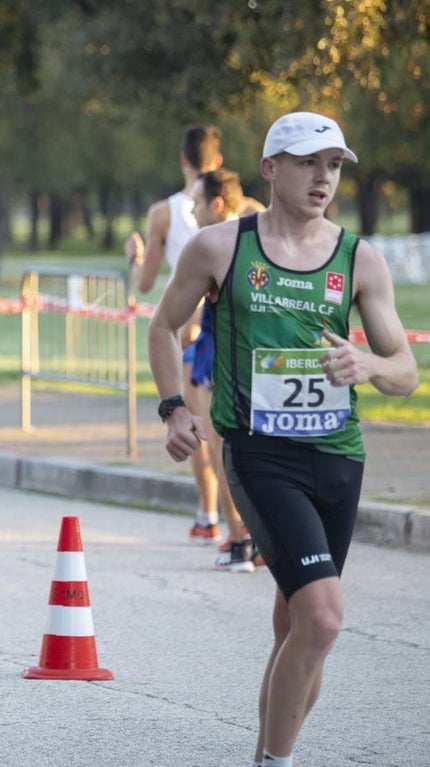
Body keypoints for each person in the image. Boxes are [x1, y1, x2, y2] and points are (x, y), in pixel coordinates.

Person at [147, 112, 417, 767]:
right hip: (259, 455)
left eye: (334, 165)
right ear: (271, 169)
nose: (324, 177)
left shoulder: (359, 259)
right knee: (321, 619)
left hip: (339, 459)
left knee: (295, 628)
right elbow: (163, 326)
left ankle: (266, 752)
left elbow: (405, 371)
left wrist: (368, 365)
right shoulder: (220, 247)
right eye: (308, 163)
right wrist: (174, 408)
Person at [125, 125, 228, 545]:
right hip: (234, 332)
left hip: (189, 333)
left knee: (200, 430)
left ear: (183, 159)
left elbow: (146, 283)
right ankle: (237, 525)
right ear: (218, 160)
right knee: (227, 432)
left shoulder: (162, 214)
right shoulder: (244, 206)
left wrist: (134, 258)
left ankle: (210, 516)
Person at [184, 169, 262, 572]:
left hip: (217, 354)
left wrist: (189, 328)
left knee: (220, 450)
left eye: (197, 204)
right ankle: (263, 536)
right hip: (261, 357)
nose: (193, 212)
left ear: (216, 205)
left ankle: (239, 541)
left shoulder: (212, 244)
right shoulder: (263, 236)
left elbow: (189, 320)